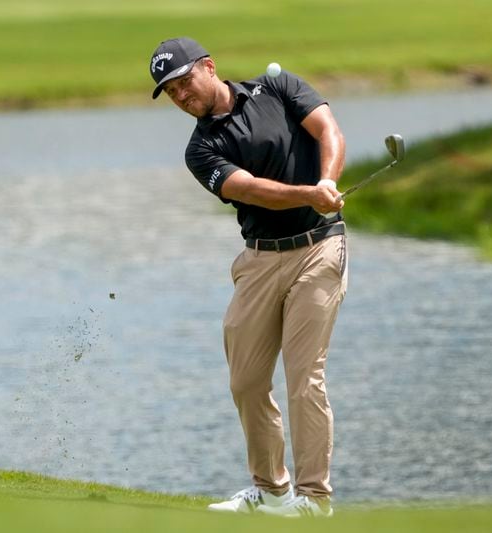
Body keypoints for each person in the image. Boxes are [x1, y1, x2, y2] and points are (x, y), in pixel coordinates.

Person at [149, 37, 347, 518]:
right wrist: (308, 193)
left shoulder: (278, 88)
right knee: (247, 381)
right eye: (168, 92)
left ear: (209, 68)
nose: (179, 96)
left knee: (305, 379)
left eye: (181, 82)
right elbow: (252, 191)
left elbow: (329, 132)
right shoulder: (201, 150)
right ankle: (273, 492)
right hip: (259, 260)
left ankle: (314, 499)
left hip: (318, 250)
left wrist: (327, 182)